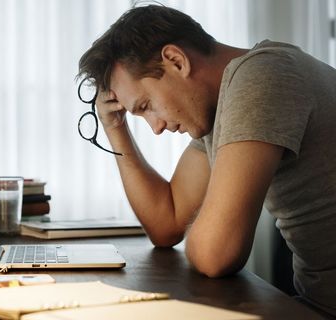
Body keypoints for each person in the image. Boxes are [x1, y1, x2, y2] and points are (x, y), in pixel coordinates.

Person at [77, 4, 336, 317]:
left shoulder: (263, 76)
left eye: (147, 106)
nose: (156, 127)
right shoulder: (221, 107)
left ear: (176, 60)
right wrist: (115, 127)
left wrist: (209, 229)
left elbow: (217, 253)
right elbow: (167, 224)